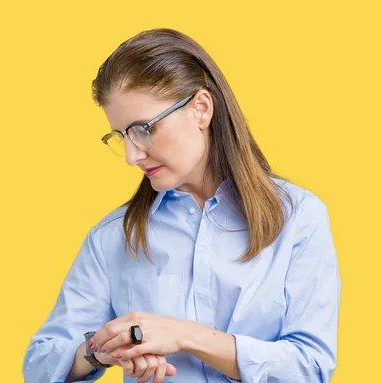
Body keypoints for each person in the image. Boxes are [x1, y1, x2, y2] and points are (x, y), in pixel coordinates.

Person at [22, 28, 340, 383]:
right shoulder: (111, 238)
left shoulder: (298, 218)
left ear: (201, 108)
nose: (131, 155)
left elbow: (310, 368)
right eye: (121, 136)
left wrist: (186, 336)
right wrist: (103, 349)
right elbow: (39, 366)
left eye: (143, 129)